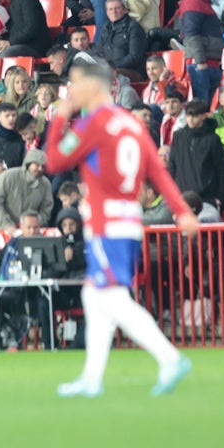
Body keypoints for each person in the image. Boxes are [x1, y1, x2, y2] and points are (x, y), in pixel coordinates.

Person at [45, 58, 198, 399]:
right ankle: (91, 378)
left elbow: (54, 161)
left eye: (75, 84)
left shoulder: (93, 124)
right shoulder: (129, 123)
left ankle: (169, 357)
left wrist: (59, 116)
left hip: (106, 222)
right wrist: (181, 211)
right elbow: (156, 172)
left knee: (112, 296)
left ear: (93, 86)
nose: (71, 90)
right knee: (93, 294)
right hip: (128, 219)